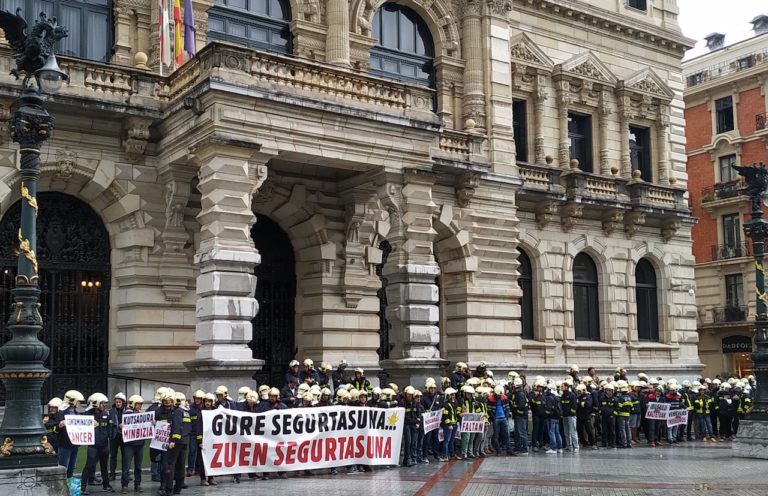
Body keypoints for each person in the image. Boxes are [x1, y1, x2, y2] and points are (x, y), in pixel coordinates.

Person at [81, 393, 115, 495]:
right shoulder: (87, 414)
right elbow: (80, 425)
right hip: (93, 445)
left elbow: (110, 425)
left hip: (104, 444)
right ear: (96, 403)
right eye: (101, 403)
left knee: (104, 466)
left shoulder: (106, 413)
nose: (103, 405)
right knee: (89, 465)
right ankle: (82, 487)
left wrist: (109, 435)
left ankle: (106, 485)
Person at [55, 390, 85, 479]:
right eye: (78, 401)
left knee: (72, 468)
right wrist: (59, 425)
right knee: (63, 468)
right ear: (73, 401)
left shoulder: (77, 414)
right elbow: (55, 427)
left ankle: (69, 488)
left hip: (75, 445)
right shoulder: (61, 413)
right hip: (65, 445)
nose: (79, 403)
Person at [122, 395, 146, 494]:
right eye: (138, 404)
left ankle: (137, 484)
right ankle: (124, 485)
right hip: (129, 444)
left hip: (140, 444)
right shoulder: (127, 414)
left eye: (141, 404)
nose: (140, 406)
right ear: (133, 404)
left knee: (138, 466)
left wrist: (151, 423)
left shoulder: (142, 414)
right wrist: (121, 425)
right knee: (126, 466)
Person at [155, 390, 176, 496]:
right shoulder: (158, 412)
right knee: (163, 465)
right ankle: (163, 485)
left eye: (169, 400)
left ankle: (170, 485)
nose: (167, 402)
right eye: (165, 400)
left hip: (173, 442)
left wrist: (173, 440)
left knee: (171, 465)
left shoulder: (176, 411)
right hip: (162, 442)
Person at [421, 378, 442, 462]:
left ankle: (436, 455)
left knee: (435, 438)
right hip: (428, 422)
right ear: (428, 389)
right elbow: (422, 409)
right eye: (431, 388)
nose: (433, 390)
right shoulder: (424, 398)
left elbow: (438, 407)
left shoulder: (436, 398)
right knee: (427, 439)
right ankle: (425, 456)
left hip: (435, 422)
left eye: (434, 388)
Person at [487, 384, 512, 456]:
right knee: (496, 436)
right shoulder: (490, 399)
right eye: (498, 395)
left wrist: (506, 416)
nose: (499, 396)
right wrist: (493, 418)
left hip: (503, 418)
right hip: (496, 419)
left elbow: (507, 408)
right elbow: (489, 410)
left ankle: (508, 450)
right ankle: (498, 451)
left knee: (506, 435)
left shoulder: (504, 397)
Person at [108, 393, 127, 482]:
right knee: (113, 456)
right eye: (116, 402)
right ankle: (112, 473)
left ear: (123, 402)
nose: (118, 403)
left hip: (124, 437)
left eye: (119, 402)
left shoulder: (128, 411)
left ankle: (125, 473)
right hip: (114, 437)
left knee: (125, 456)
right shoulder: (111, 411)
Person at [187, 391, 205, 478]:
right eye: (196, 399)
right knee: (192, 451)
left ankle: (198, 469)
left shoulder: (205, 408)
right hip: (193, 434)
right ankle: (190, 469)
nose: (197, 400)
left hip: (202, 434)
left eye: (199, 399)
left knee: (200, 453)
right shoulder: (190, 408)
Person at [401, 386, 421, 466]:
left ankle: (410, 458)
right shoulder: (402, 403)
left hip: (414, 425)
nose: (410, 396)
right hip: (406, 425)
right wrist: (415, 421)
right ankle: (407, 459)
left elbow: (418, 413)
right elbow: (404, 417)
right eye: (408, 395)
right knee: (408, 442)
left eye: (411, 395)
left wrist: (418, 422)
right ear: (405, 394)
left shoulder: (414, 403)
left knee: (413, 442)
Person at [575, 384, 596, 449]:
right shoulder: (578, 397)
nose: (578, 392)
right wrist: (581, 403)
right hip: (579, 416)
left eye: (579, 391)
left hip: (587, 416)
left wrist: (579, 403)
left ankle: (593, 444)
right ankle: (583, 443)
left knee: (589, 430)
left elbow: (588, 405)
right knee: (580, 430)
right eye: (578, 391)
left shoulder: (588, 396)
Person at [512, 378, 529, 454]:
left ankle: (525, 448)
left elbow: (521, 406)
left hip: (521, 416)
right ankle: (517, 447)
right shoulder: (519, 393)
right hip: (518, 416)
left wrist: (514, 407)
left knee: (522, 432)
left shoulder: (521, 394)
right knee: (517, 432)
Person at [441, 387, 458, 461]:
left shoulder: (455, 403)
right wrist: (449, 424)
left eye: (454, 395)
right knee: (447, 441)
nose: (453, 396)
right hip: (448, 425)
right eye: (452, 395)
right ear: (448, 396)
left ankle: (452, 454)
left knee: (452, 440)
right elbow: (445, 416)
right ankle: (445, 455)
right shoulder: (445, 404)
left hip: (454, 424)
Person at [544, 383, 562, 454]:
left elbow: (548, 408)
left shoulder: (549, 397)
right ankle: (559, 447)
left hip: (551, 417)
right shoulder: (556, 397)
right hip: (557, 417)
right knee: (557, 432)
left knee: (551, 432)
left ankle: (553, 448)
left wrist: (546, 413)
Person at [560, 380, 578, 452]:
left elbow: (574, 406)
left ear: (567, 387)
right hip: (565, 416)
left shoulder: (572, 395)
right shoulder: (562, 395)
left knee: (573, 431)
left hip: (571, 416)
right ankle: (568, 446)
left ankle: (576, 446)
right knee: (566, 432)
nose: (561, 387)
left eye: (562, 386)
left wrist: (571, 413)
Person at [599, 383, 618, 449]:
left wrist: (613, 415)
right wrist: (600, 413)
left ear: (612, 391)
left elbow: (617, 409)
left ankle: (612, 444)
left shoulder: (615, 399)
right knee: (604, 431)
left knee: (612, 431)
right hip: (604, 417)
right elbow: (600, 407)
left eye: (610, 390)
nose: (608, 392)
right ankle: (604, 443)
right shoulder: (602, 398)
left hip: (611, 418)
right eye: (607, 390)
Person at [616, 381, 632, 449]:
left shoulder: (620, 398)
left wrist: (616, 414)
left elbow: (619, 407)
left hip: (621, 415)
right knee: (628, 429)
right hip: (628, 415)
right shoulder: (629, 398)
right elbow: (632, 407)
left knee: (622, 430)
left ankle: (624, 443)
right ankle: (629, 443)